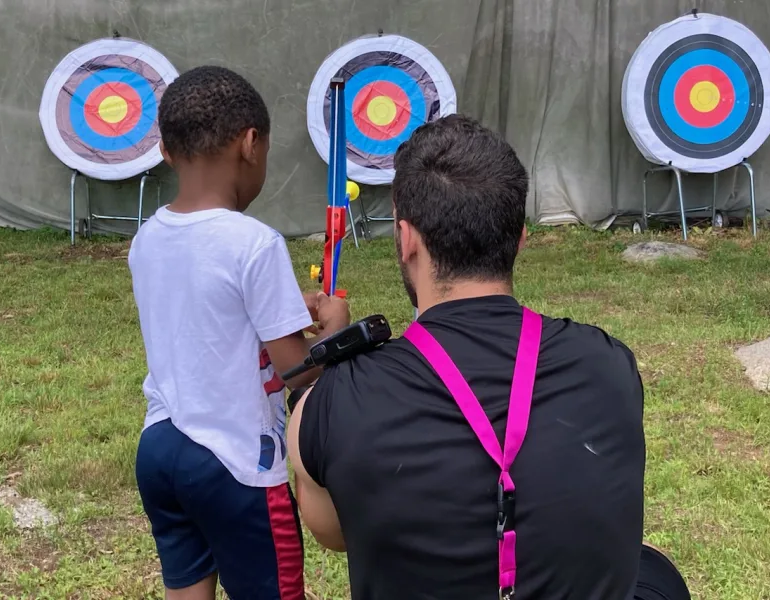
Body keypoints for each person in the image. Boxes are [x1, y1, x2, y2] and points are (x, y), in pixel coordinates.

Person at [286, 115, 689, 599]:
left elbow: (334, 532)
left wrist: (329, 372)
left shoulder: (328, 404)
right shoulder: (609, 364)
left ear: (407, 239)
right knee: (654, 575)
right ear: (519, 237)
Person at [130, 65, 350, 600]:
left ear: (166, 150)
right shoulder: (255, 243)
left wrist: (276, 308)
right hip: (236, 465)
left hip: (160, 449)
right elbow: (296, 369)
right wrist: (337, 333)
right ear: (251, 144)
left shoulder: (147, 239)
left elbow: (209, 316)